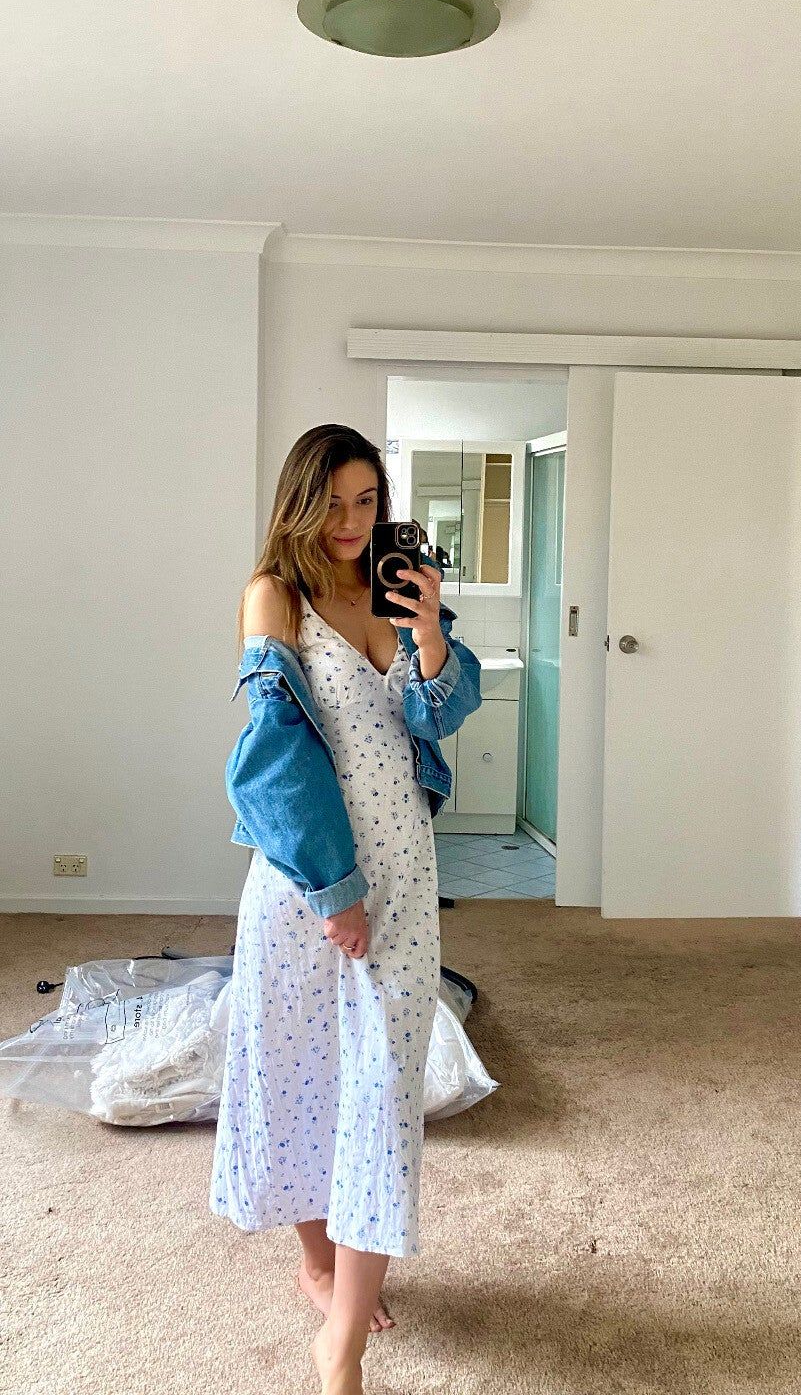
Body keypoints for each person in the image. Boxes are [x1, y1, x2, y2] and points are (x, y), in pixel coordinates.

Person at [209, 424, 482, 1395]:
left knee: (383, 1088)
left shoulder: (393, 591)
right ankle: (320, 1264)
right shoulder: (273, 595)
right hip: (308, 884)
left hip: (404, 872)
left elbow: (437, 715)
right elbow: (274, 756)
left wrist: (432, 631)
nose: (352, 522)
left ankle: (343, 1345)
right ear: (299, 501)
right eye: (333, 502)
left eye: (368, 501)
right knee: (297, 1074)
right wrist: (337, 890)